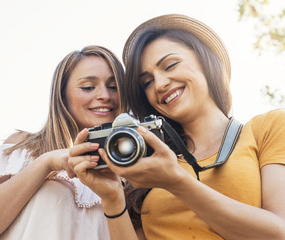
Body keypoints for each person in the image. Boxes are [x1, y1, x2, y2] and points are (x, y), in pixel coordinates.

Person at [68, 14, 285, 239]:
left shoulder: (267, 128)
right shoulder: (147, 161)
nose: (160, 84)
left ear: (206, 59)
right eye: (147, 82)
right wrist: (112, 198)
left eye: (170, 65)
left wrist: (176, 182)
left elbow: (278, 233)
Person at [0, 45, 125, 240]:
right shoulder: (24, 149)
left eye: (113, 87)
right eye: (88, 87)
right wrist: (44, 163)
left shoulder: (133, 174)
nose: (105, 95)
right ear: (62, 95)